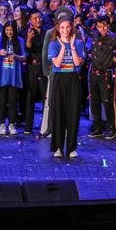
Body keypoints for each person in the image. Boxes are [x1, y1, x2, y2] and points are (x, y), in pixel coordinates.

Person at [48, 18, 85, 158]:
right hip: (59, 79)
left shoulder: (78, 43)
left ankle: (71, 148)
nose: (65, 30)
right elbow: (57, 64)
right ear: (58, 29)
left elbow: (77, 63)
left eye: (68, 27)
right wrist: (63, 47)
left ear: (71, 28)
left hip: (73, 79)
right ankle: (58, 147)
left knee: (73, 114)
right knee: (58, 113)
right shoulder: (53, 44)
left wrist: (72, 47)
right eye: (62, 27)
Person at [0, 20, 26, 135]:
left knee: (13, 101)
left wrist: (16, 56)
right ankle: (2, 124)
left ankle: (12, 124)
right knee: (2, 102)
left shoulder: (20, 40)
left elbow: (24, 57)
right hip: (2, 75)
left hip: (14, 75)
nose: (9, 32)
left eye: (11, 30)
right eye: (7, 30)